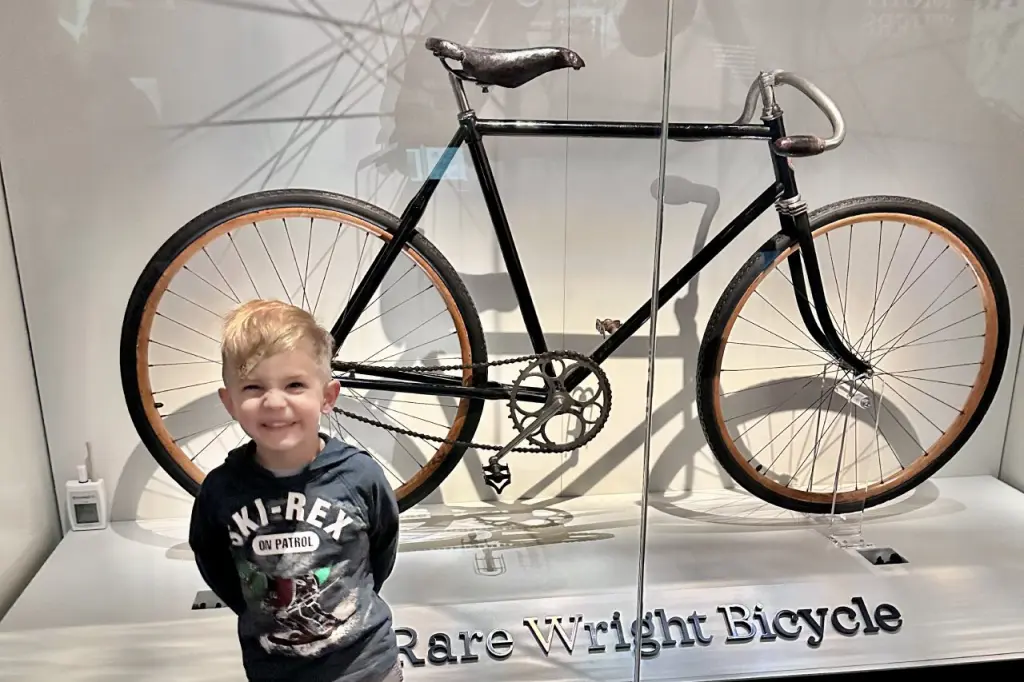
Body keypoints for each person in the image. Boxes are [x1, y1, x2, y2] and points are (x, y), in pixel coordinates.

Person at [188, 299, 403, 682]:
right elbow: (215, 564)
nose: (274, 402)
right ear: (230, 402)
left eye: (294, 385)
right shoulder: (220, 490)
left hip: (367, 667)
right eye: (253, 386)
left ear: (328, 397)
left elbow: (381, 549)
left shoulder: (359, 475)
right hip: (274, 671)